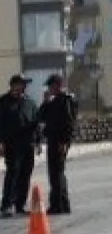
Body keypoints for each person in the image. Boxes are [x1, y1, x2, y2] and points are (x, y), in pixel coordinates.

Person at [0, 74, 42, 217]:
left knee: (25, 174)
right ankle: (7, 204)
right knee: (13, 172)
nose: (24, 87)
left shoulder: (30, 102)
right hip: (12, 143)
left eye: (25, 84)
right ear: (14, 85)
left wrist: (38, 142)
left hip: (28, 143)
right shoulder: (2, 102)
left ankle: (20, 204)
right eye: (22, 84)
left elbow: (36, 123)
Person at [38, 74, 78, 215]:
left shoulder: (65, 100)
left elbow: (69, 123)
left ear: (58, 85)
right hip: (54, 140)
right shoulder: (55, 101)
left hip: (59, 141)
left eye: (51, 86)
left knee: (56, 173)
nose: (50, 89)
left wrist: (64, 141)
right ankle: (61, 204)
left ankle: (59, 205)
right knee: (56, 173)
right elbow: (41, 116)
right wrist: (46, 101)